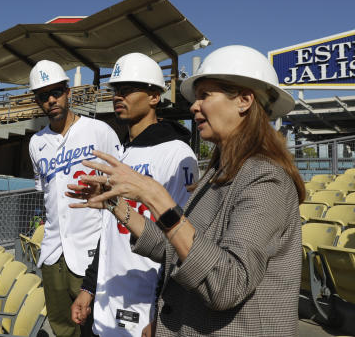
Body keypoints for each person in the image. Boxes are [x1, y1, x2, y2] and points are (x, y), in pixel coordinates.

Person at [70, 45, 304, 336]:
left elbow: (227, 284)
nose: (194, 105)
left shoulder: (267, 179)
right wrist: (117, 206)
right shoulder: (218, 174)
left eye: (205, 95)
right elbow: (176, 249)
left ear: (244, 100)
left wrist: (157, 199)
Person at [70, 53, 198, 336]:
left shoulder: (178, 153)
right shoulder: (120, 152)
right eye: (116, 90)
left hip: (145, 303)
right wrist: (89, 287)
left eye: (128, 89)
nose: (119, 96)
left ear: (154, 96)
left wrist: (164, 315)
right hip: (107, 294)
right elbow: (108, 231)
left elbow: (184, 240)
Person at [28, 60, 120, 337]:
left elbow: (122, 183)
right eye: (43, 96)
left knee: (93, 328)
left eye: (56, 92)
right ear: (38, 101)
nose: (51, 100)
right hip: (53, 251)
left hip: (89, 248)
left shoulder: (99, 131)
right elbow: (46, 196)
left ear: (68, 92)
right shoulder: (36, 142)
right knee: (62, 328)